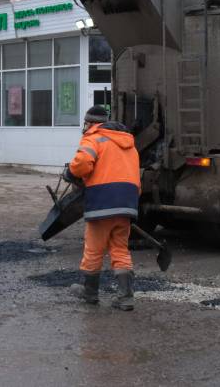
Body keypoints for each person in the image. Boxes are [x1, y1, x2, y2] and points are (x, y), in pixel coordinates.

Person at [65, 106, 140, 311]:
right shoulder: (129, 143)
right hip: (127, 203)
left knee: (94, 250)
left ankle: (90, 293)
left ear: (90, 123)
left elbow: (82, 165)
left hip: (102, 203)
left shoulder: (94, 138)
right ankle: (126, 297)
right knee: (120, 249)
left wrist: (70, 173)